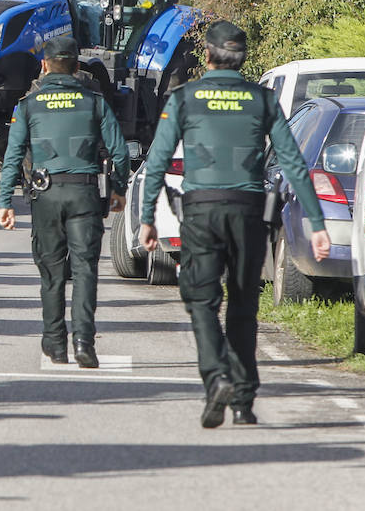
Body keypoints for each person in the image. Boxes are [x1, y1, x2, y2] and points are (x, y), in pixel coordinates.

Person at [140, 21, 331, 429]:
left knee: (201, 300)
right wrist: (316, 221)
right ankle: (243, 402)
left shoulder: (184, 97)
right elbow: (294, 163)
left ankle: (217, 378)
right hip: (248, 212)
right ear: (242, 56)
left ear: (207, 55)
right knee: (244, 305)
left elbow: (156, 160)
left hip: (201, 212)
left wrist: (145, 219)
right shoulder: (262, 99)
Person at [0, 35, 129, 368]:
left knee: (52, 273)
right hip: (84, 194)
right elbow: (119, 151)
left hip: (46, 195)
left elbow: (13, 155)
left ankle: (55, 344)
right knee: (85, 271)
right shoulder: (95, 102)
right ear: (76, 66)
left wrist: (5, 201)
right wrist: (118, 189)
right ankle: (84, 343)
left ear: (44, 65)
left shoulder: (28, 105)